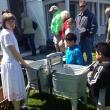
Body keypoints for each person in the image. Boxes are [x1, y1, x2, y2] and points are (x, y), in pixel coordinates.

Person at [0, 11, 29, 110]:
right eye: (9, 21)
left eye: (13, 21)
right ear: (4, 22)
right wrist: (24, 63)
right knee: (15, 89)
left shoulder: (7, 32)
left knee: (13, 89)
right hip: (11, 64)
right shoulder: (7, 34)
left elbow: (2, 51)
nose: (12, 23)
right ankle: (17, 108)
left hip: (9, 63)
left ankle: (18, 107)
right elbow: (14, 53)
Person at [87, 42, 110, 110]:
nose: (95, 54)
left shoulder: (102, 67)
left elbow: (93, 82)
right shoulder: (105, 64)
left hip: (103, 96)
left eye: (96, 53)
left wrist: (88, 77)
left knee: (101, 108)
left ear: (100, 54)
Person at [75, 0, 98, 65]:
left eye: (83, 6)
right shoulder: (78, 16)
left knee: (88, 54)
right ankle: (82, 65)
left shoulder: (91, 15)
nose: (82, 7)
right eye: (80, 6)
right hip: (79, 38)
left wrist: (89, 35)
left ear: (86, 6)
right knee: (80, 52)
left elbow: (94, 26)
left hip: (88, 38)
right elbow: (76, 26)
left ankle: (90, 67)